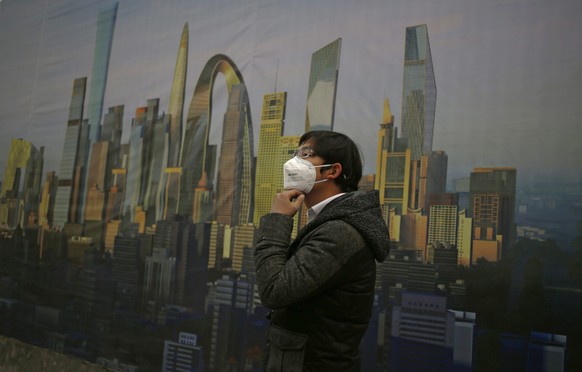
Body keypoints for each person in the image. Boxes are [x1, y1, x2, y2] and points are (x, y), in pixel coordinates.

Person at [254, 130, 391, 371]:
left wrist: (277, 219)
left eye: (306, 154)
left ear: (332, 171)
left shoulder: (340, 233)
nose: (293, 162)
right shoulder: (328, 222)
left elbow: (274, 290)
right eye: (296, 153)